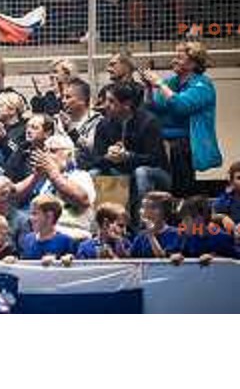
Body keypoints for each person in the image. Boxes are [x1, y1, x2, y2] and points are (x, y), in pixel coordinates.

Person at [142, 41, 222, 196]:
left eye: (179, 57)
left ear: (192, 63)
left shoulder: (203, 85)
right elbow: (153, 108)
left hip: (186, 145)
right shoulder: (172, 82)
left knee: (178, 151)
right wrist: (148, 88)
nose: (173, 60)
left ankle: (182, 201)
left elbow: (181, 106)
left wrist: (159, 83)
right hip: (165, 143)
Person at [91, 82, 171, 225]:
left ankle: (144, 227)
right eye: (105, 100)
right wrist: (108, 157)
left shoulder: (149, 121)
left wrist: (128, 156)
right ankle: (98, 228)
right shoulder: (103, 124)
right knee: (93, 173)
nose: (105, 105)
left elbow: (155, 159)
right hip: (120, 172)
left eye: (111, 101)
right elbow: (95, 159)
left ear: (126, 104)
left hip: (155, 173)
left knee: (141, 173)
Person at [16, 134, 96, 240]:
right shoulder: (44, 180)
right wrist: (36, 176)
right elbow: (14, 196)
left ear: (69, 154)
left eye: (52, 151)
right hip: (40, 235)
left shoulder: (80, 175)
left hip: (71, 234)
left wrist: (53, 172)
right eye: (45, 151)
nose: (47, 156)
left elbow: (83, 200)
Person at [175, 195, 237, 260]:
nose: (182, 224)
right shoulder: (186, 238)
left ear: (200, 219)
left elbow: (236, 261)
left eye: (186, 220)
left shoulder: (221, 238)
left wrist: (216, 258)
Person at [59, 78, 102, 168]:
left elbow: (92, 148)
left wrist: (71, 131)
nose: (63, 101)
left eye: (68, 97)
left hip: (85, 169)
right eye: (62, 97)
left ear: (82, 100)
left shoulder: (97, 120)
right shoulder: (59, 120)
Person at [20, 195, 76, 263]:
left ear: (49, 216)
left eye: (35, 214)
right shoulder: (28, 239)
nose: (30, 218)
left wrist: (60, 260)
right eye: (31, 214)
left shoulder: (65, 241)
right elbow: (22, 263)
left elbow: (72, 263)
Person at [130, 191, 181, 258]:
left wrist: (151, 234)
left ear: (165, 211)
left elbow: (162, 258)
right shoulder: (141, 237)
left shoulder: (175, 234)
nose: (147, 212)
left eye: (153, 207)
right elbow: (128, 259)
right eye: (144, 207)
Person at [5, 114, 55, 182]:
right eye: (27, 127)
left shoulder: (53, 153)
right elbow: (8, 173)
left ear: (47, 133)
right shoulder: (22, 148)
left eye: (34, 128)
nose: (28, 131)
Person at [0, 90, 27, 163]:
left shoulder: (24, 129)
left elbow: (19, 153)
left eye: (0, 106)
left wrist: (4, 139)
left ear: (12, 110)